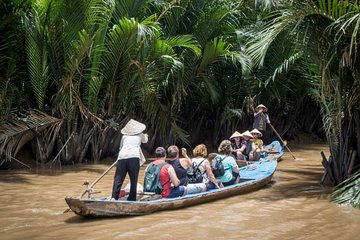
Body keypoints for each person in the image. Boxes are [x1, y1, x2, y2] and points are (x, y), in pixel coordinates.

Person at [111, 119, 148, 201]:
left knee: (118, 179)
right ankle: (131, 198)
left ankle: (114, 197)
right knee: (134, 179)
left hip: (122, 157)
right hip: (134, 157)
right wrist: (146, 136)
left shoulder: (124, 136)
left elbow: (121, 147)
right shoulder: (140, 134)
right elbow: (145, 141)